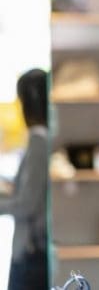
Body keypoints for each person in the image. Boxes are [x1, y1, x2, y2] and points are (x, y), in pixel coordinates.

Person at [0, 69, 49, 290]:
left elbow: (28, 203)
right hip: (31, 250)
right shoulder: (39, 140)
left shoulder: (39, 142)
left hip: (30, 250)